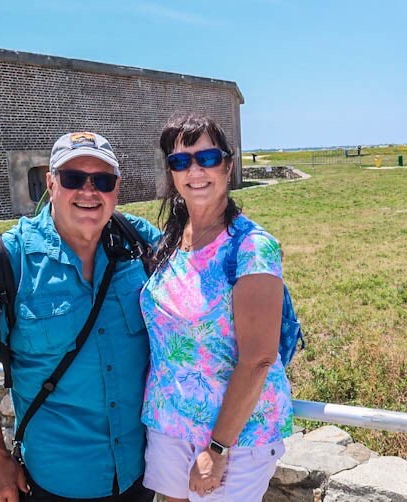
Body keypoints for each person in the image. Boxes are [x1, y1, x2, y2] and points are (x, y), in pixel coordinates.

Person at [0, 131, 160, 501]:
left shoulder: (141, 243)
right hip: (55, 478)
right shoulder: (8, 260)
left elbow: (202, 270)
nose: (88, 191)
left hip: (138, 471)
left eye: (102, 181)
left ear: (117, 188)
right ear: (50, 184)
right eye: (73, 178)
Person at [139, 113, 294, 501]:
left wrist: (217, 448)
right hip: (170, 423)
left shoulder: (252, 247)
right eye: (180, 161)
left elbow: (259, 358)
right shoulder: (171, 241)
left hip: (236, 437)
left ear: (227, 165)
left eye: (207, 158)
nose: (195, 170)